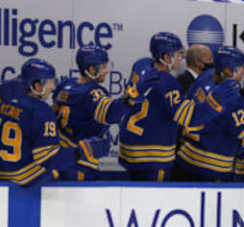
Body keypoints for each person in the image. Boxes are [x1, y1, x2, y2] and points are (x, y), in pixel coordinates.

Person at [175, 46, 244, 181]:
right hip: (211, 168)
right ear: (231, 70)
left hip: (184, 160)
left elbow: (183, 116)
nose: (243, 71)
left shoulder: (203, 78)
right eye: (242, 67)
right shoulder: (232, 99)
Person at [0, 59, 110, 186]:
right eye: (49, 82)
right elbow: (49, 159)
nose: (52, 87)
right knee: (65, 173)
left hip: (2, 173)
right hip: (22, 177)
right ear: (37, 85)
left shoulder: (4, 94)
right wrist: (85, 150)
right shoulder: (42, 111)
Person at [52, 44, 143, 181]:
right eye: (103, 67)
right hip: (81, 163)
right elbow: (111, 113)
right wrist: (130, 99)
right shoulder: (92, 92)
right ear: (91, 69)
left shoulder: (65, 85)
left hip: (62, 158)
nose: (107, 70)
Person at [119, 32, 195, 181]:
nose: (181, 59)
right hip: (153, 156)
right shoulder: (170, 83)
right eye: (178, 54)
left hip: (129, 151)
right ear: (166, 57)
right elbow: (187, 119)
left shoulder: (140, 66)